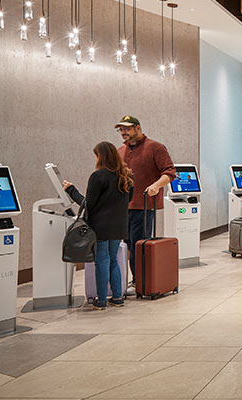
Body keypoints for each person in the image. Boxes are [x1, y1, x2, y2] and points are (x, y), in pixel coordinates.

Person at [63, 141, 132, 310]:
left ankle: (101, 301)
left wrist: (71, 190)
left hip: (100, 226)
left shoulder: (98, 176)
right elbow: (127, 201)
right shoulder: (127, 177)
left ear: (100, 156)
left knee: (101, 261)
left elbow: (89, 204)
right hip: (119, 226)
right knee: (113, 260)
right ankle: (117, 297)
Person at [115, 115, 175, 284]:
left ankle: (141, 280)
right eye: (121, 129)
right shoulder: (120, 151)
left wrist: (156, 185)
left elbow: (170, 172)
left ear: (138, 128)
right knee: (126, 245)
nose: (123, 132)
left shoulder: (155, 147)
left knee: (139, 246)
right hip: (122, 208)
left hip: (143, 206)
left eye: (127, 128)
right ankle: (134, 279)